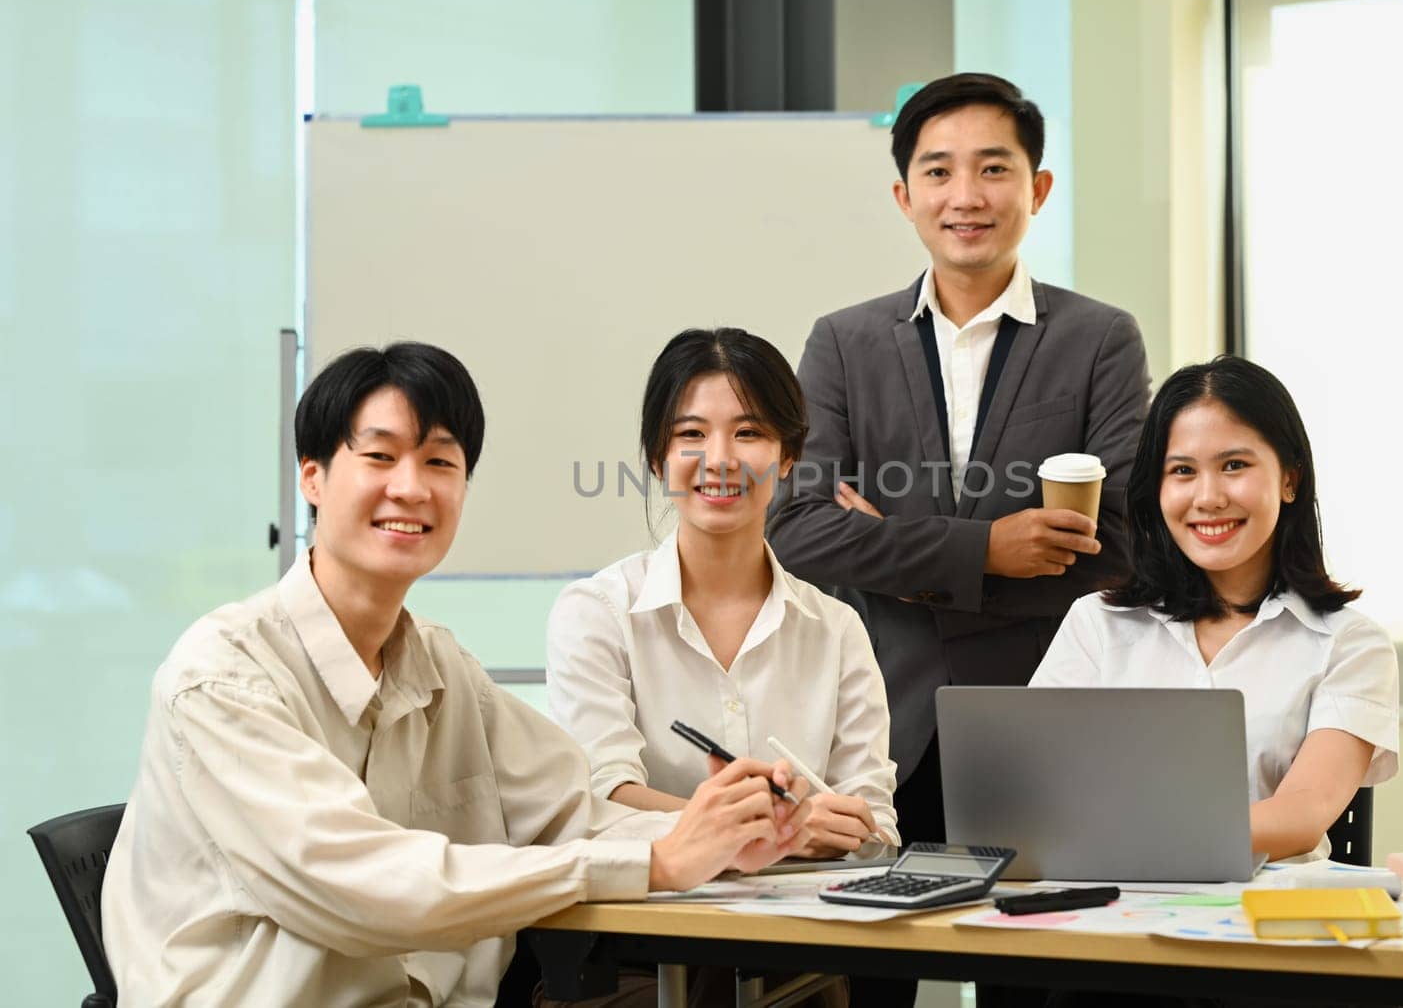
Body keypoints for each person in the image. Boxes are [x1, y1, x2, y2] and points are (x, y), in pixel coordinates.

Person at [101, 342, 810, 1007]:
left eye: (440, 463)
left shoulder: (440, 667)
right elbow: (363, 886)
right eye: (380, 456)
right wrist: (657, 860)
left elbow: (572, 812)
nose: (410, 488)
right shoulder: (223, 677)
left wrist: (724, 832)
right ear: (311, 475)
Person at [766, 72, 1152, 854]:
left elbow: (1122, 543)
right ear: (906, 196)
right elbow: (800, 526)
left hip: (1042, 716)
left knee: (1035, 962)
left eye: (994, 168)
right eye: (938, 171)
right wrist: (989, 550)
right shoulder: (843, 342)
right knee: (867, 967)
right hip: (875, 720)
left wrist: (895, 556)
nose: (965, 195)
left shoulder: (1101, 339)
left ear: (1037, 188)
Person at [1031, 355, 1399, 862]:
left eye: (1234, 466)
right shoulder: (1097, 624)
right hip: (1109, 910)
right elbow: (1034, 790)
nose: (1208, 497)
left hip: (1270, 918)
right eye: (1182, 471)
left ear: (1290, 479)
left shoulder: (1349, 644)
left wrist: (1126, 831)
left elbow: (1302, 816)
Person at [547, 327, 898, 858]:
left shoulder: (837, 629)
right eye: (691, 433)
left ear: (787, 457)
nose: (719, 459)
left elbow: (874, 825)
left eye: (749, 432)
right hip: (651, 923)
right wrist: (777, 826)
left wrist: (848, 829)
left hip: (812, 924)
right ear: (657, 458)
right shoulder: (598, 613)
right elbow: (602, 799)